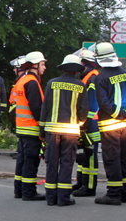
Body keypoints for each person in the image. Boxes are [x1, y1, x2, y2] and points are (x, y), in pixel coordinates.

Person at [93, 42, 126, 205]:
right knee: (123, 158)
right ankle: (125, 192)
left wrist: (118, 114)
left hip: (110, 125)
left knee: (111, 158)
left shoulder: (100, 77)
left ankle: (113, 194)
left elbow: (103, 102)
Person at [40, 54, 89, 206]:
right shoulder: (80, 85)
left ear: (63, 68)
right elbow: (83, 110)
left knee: (52, 163)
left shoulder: (51, 83)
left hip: (52, 131)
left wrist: (42, 131)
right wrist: (79, 124)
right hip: (71, 131)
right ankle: (63, 198)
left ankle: (50, 198)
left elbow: (45, 107)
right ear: (76, 71)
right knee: (67, 164)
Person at [14, 51, 47, 201]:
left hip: (22, 128)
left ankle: (19, 190)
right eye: (43, 64)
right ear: (35, 65)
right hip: (31, 128)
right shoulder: (32, 82)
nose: (45, 67)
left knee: (22, 159)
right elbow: (36, 108)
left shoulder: (22, 79)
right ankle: (29, 192)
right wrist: (44, 127)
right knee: (31, 161)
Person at [73, 49, 101, 197]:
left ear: (85, 63)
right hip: (85, 123)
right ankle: (81, 182)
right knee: (83, 153)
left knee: (90, 154)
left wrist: (84, 123)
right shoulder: (86, 77)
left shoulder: (92, 78)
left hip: (91, 124)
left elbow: (92, 105)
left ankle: (89, 187)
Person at [8, 55, 26, 132]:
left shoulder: (24, 80)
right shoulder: (20, 80)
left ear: (20, 68)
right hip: (18, 112)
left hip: (23, 115)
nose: (14, 70)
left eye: (15, 67)